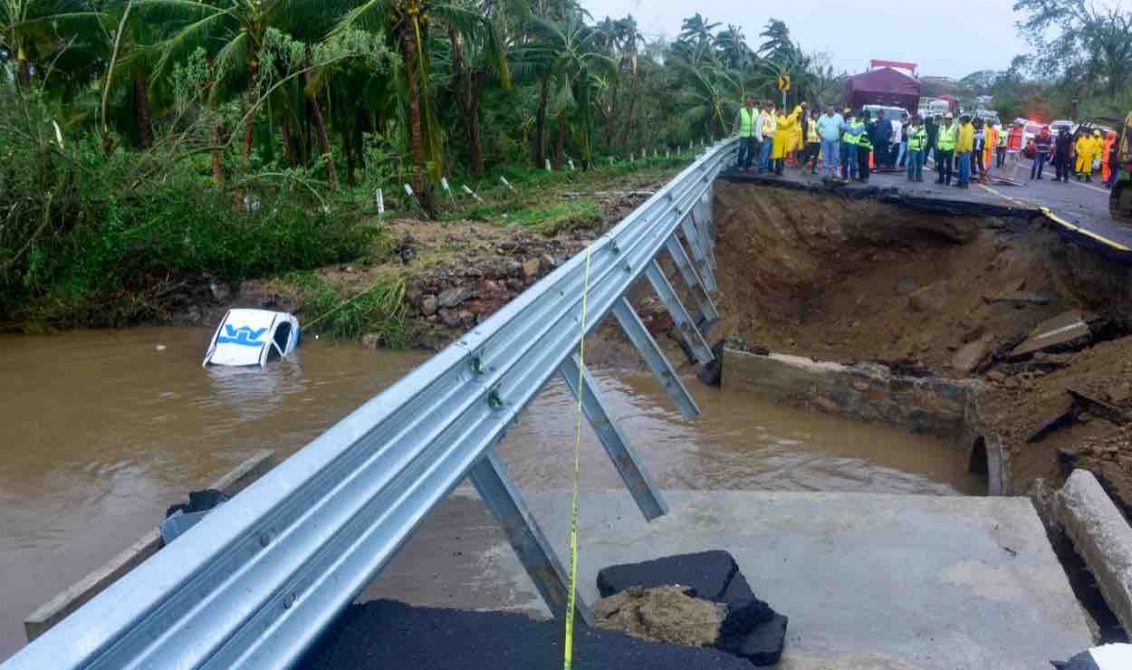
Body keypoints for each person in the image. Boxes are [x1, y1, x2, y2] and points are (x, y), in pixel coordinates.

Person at [771, 103, 804, 175]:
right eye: (782, 109)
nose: (783, 111)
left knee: (783, 154)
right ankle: (777, 169)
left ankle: (781, 169)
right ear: (778, 109)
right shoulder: (774, 117)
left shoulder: (783, 117)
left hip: (784, 137)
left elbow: (785, 124)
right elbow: (784, 124)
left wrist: (782, 125)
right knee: (777, 154)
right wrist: (782, 124)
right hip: (777, 137)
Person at [815, 104, 844, 178]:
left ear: (834, 110)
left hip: (835, 141)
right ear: (827, 110)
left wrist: (840, 136)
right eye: (828, 110)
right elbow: (816, 128)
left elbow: (843, 127)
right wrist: (821, 137)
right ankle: (826, 173)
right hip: (825, 141)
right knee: (826, 157)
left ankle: (835, 172)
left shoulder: (839, 117)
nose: (830, 111)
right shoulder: (822, 117)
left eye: (831, 110)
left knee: (835, 157)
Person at [732, 95, 760, 170]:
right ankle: (740, 165)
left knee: (751, 151)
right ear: (745, 103)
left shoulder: (756, 111)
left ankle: (748, 165)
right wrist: (734, 131)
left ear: (752, 103)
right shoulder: (742, 111)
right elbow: (736, 122)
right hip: (744, 135)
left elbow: (759, 123)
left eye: (750, 102)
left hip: (753, 135)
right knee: (743, 150)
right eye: (747, 103)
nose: (749, 104)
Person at [953, 114, 974, 188]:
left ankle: (965, 182)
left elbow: (967, 141)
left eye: (962, 120)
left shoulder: (969, 127)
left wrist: (962, 149)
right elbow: (958, 138)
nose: (961, 121)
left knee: (965, 167)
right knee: (960, 167)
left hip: (966, 150)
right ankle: (960, 181)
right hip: (960, 150)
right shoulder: (961, 126)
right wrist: (957, 149)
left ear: (966, 120)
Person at [935, 112, 957, 185]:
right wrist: (937, 145)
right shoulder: (941, 127)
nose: (947, 121)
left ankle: (948, 180)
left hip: (949, 149)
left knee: (949, 166)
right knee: (940, 164)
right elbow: (938, 136)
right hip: (941, 148)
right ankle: (941, 179)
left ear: (951, 120)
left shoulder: (954, 128)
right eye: (946, 119)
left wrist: (956, 150)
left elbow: (957, 139)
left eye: (949, 119)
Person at [842, 110, 864, 180]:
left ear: (862, 118)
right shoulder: (852, 119)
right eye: (857, 116)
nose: (857, 118)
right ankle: (844, 176)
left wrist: (849, 128)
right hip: (845, 142)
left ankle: (852, 176)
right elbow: (844, 127)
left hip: (853, 144)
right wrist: (850, 129)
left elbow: (855, 133)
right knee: (844, 160)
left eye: (859, 117)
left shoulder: (862, 125)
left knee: (852, 161)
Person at [906, 117, 927, 182]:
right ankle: (910, 176)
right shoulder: (910, 127)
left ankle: (919, 177)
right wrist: (917, 129)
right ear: (913, 120)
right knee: (912, 163)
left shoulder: (923, 128)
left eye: (918, 120)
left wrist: (924, 144)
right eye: (916, 120)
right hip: (913, 148)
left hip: (921, 148)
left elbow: (925, 136)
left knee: (920, 163)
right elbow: (910, 134)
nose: (917, 121)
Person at [758, 102, 776, 173]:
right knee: (764, 153)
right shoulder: (763, 115)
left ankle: (765, 167)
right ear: (766, 107)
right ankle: (761, 168)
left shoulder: (771, 115)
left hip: (771, 137)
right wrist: (760, 137)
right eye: (769, 106)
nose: (770, 108)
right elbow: (759, 126)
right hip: (765, 136)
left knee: (768, 154)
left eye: (771, 107)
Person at [803, 109, 822, 174]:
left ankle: (813, 169)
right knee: (807, 155)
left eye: (817, 113)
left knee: (816, 156)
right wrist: (805, 139)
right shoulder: (808, 120)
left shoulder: (820, 121)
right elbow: (805, 130)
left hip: (818, 141)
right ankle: (803, 166)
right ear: (812, 114)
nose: (816, 115)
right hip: (810, 141)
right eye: (814, 113)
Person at [857, 115, 873, 182]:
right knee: (861, 162)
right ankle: (862, 177)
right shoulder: (861, 125)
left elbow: (871, 137)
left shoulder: (868, 126)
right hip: (861, 146)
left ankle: (865, 177)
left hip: (865, 146)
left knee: (864, 162)